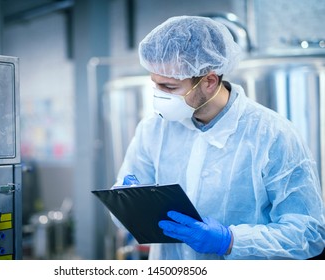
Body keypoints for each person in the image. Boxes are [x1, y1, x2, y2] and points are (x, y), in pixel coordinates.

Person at [113, 15, 325, 259]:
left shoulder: (272, 135)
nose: (158, 96)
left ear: (210, 81)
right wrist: (125, 203)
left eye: (169, 87)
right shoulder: (153, 129)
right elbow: (126, 217)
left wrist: (230, 241)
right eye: (155, 84)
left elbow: (308, 233)